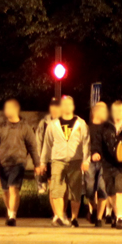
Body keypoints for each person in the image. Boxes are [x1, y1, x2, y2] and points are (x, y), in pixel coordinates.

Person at [0, 98, 40, 226]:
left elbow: (32, 147)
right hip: (3, 163)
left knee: (13, 188)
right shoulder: (0, 127)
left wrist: (37, 164)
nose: (7, 110)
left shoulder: (25, 127)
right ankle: (9, 212)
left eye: (10, 108)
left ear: (16, 109)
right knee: (5, 190)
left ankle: (12, 216)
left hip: (18, 163)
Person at [39, 95, 90, 227]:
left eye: (69, 104)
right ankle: (60, 216)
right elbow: (47, 144)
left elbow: (86, 143)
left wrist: (86, 160)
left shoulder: (81, 124)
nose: (67, 107)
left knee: (75, 191)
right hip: (57, 160)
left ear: (73, 107)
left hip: (76, 160)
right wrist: (43, 162)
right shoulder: (53, 125)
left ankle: (74, 218)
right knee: (56, 189)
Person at [92, 100, 122, 229]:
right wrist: (95, 152)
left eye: (120, 110)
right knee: (111, 191)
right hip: (108, 163)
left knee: (120, 188)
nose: (117, 113)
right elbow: (97, 142)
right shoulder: (105, 127)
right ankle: (118, 213)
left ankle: (120, 217)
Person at [84, 102, 110, 227]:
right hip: (89, 161)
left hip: (104, 163)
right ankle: (93, 209)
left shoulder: (107, 128)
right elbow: (83, 145)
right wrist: (90, 155)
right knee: (89, 189)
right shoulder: (87, 128)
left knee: (102, 189)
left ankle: (99, 218)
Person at [34, 98, 62, 194]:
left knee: (57, 183)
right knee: (48, 179)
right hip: (47, 157)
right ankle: (45, 188)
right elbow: (39, 141)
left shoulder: (64, 122)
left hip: (59, 157)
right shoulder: (44, 122)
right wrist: (41, 159)